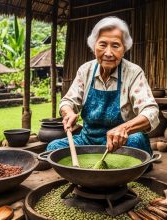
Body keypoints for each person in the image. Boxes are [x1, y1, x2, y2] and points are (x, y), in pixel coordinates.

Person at [47, 17, 159, 155]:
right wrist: (68, 112)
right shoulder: (85, 70)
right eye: (102, 44)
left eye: (115, 46)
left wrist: (125, 129)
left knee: (136, 141)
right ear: (94, 46)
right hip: (88, 141)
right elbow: (67, 101)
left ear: (124, 49)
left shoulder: (133, 72)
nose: (108, 53)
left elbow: (151, 111)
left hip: (122, 143)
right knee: (54, 148)